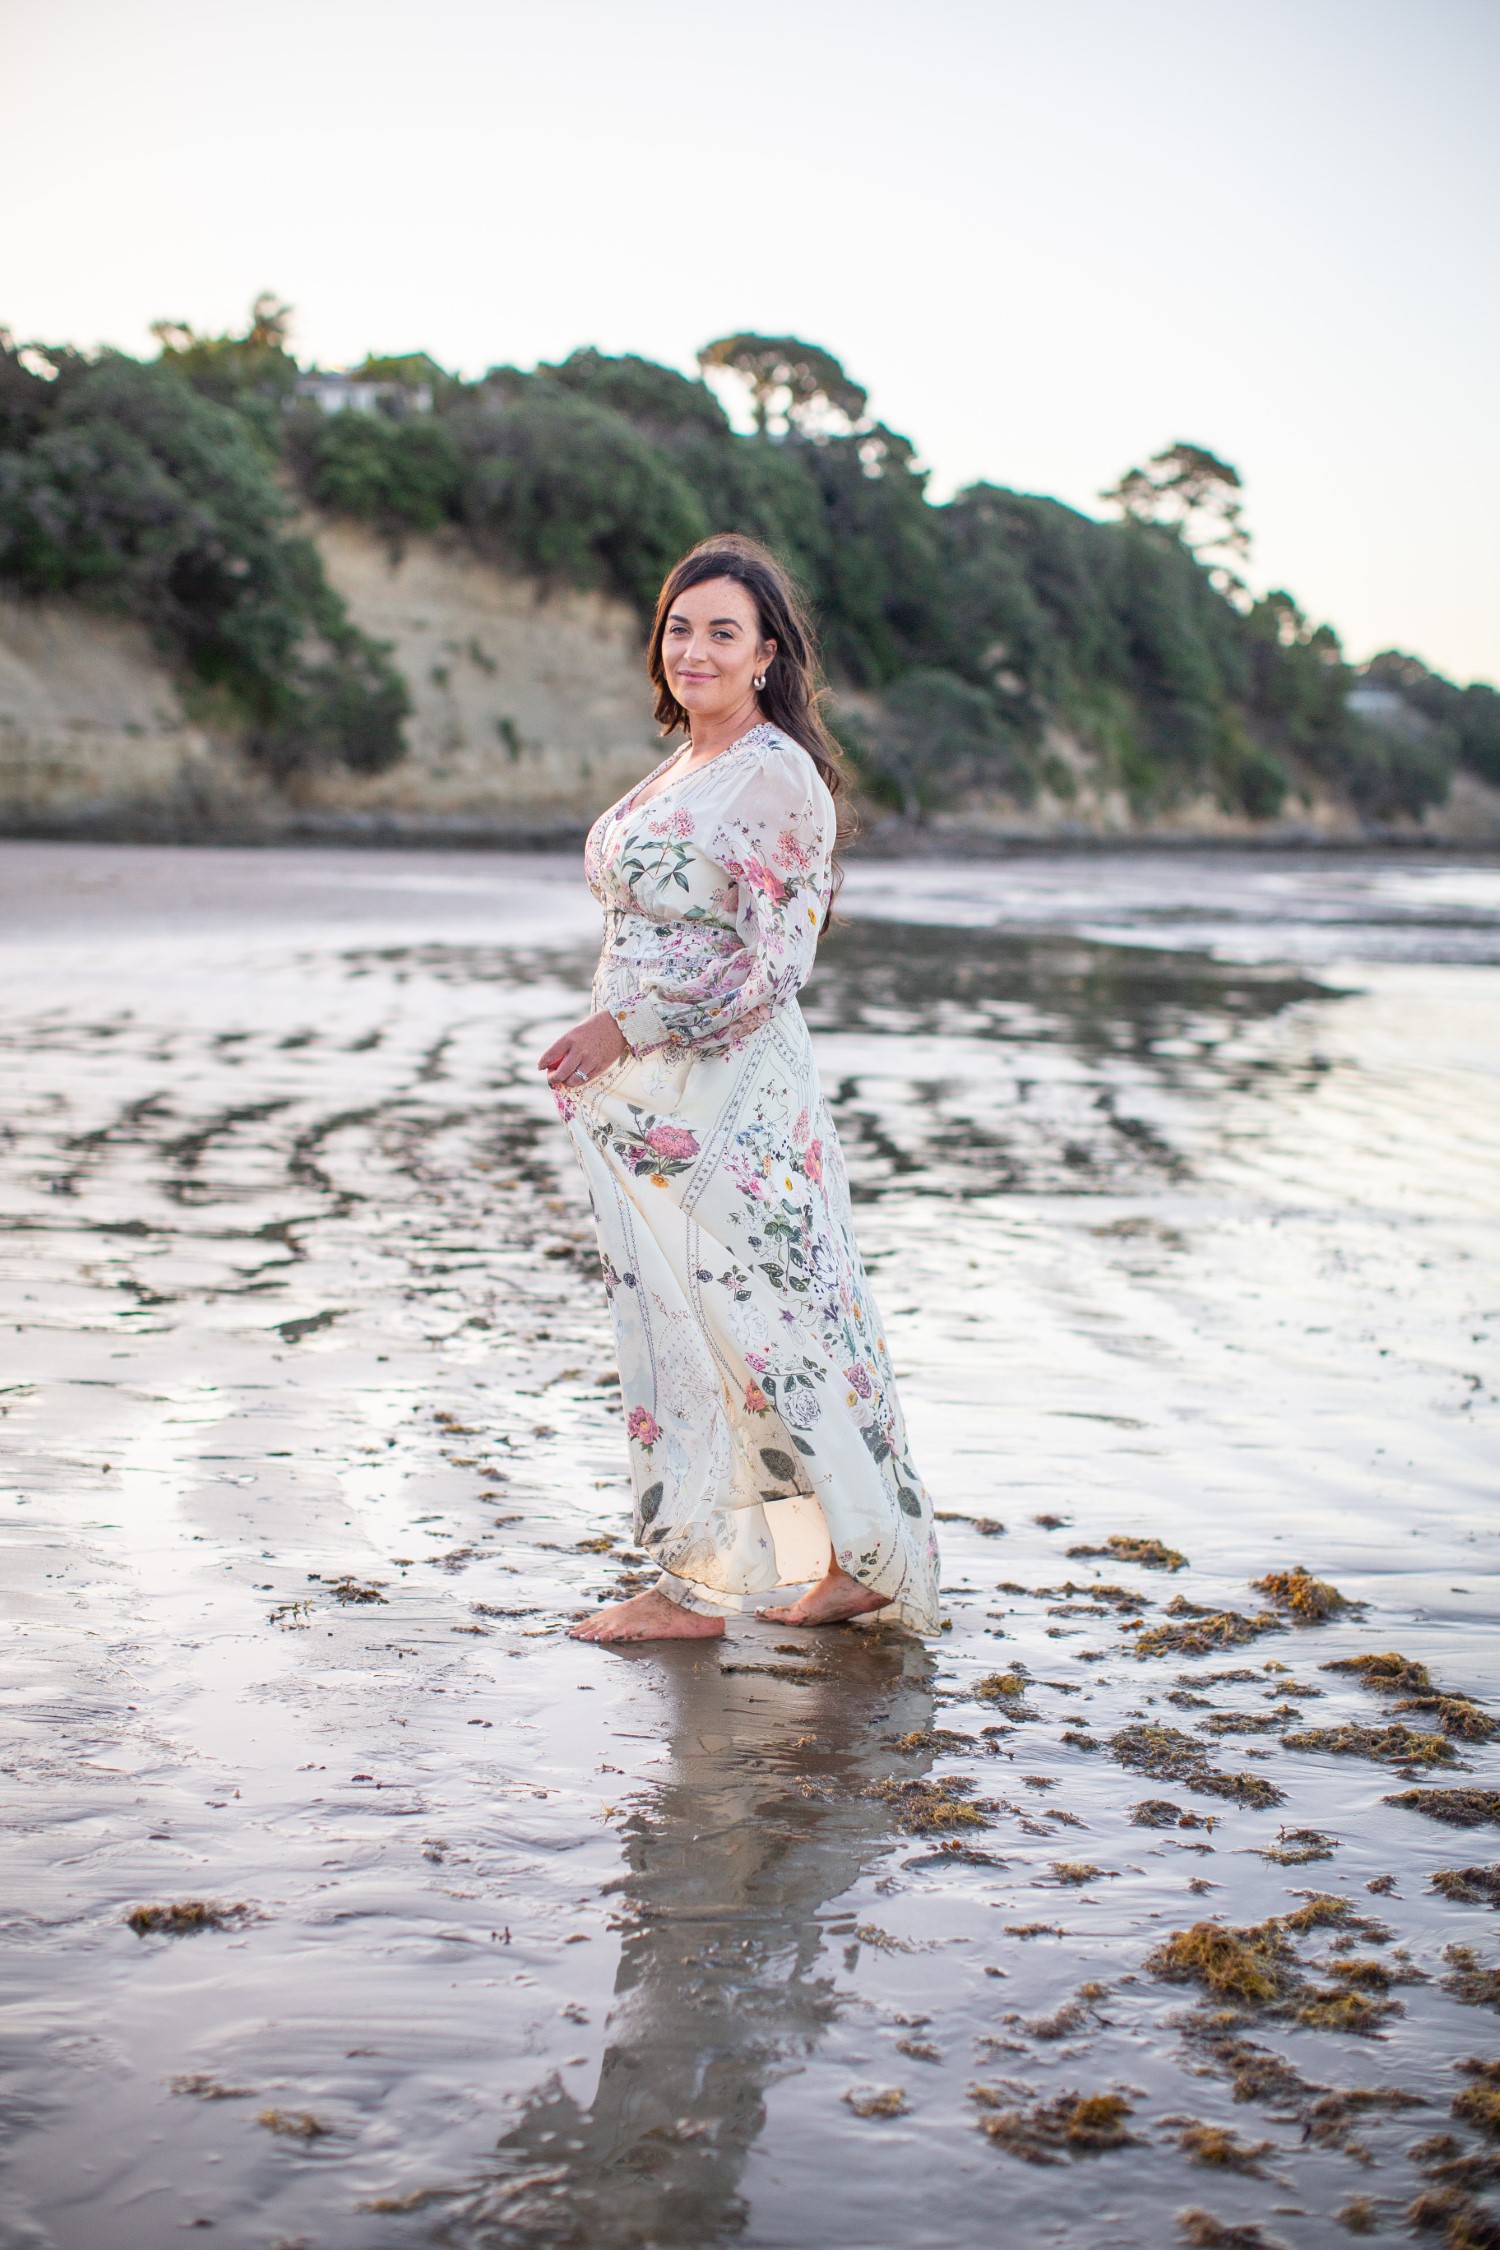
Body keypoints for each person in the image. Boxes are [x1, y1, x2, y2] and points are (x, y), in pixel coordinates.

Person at [539, 534, 940, 1644]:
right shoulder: (687, 765)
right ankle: (760, 1568)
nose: (696, 651)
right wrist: (619, 1045)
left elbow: (776, 967)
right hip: (652, 1098)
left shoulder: (776, 774)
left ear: (767, 654)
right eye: (680, 628)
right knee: (686, 1321)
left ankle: (759, 1577)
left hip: (734, 1103)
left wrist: (625, 1025)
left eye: (725, 632)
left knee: (769, 1319)